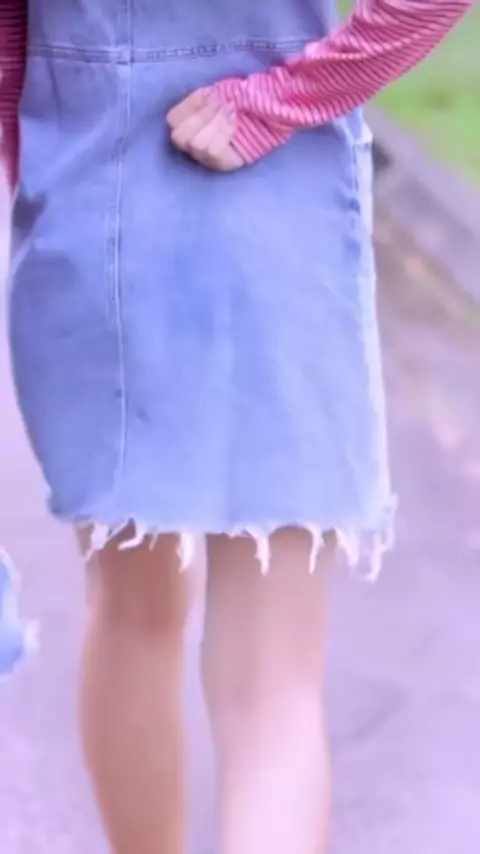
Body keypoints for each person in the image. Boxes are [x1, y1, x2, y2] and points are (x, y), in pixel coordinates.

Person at [0, 0, 472, 851]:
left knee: (130, 615)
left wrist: (38, 180)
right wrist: (284, 99)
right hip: (276, 228)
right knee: (272, 681)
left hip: (86, 218)